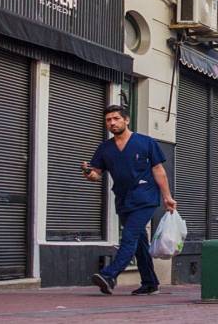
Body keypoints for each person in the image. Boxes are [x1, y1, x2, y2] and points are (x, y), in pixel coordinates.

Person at [83, 105, 176, 296]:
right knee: (140, 242)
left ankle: (110, 275)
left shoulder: (146, 142)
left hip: (145, 198)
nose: (112, 123)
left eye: (116, 118)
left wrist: (167, 197)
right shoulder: (105, 148)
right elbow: (96, 174)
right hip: (123, 200)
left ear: (126, 120)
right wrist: (88, 173)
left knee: (129, 237)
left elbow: (159, 171)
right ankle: (150, 283)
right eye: (108, 120)